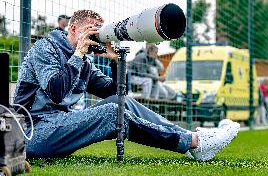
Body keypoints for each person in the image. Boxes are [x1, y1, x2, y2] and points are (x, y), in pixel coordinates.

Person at [13, 10, 240, 161]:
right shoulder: (46, 48)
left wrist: (116, 61)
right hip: (33, 132)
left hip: (59, 127)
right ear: (73, 29)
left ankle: (192, 144)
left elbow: (118, 93)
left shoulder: (84, 62)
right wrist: (79, 53)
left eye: (99, 30)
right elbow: (55, 91)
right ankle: (194, 142)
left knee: (121, 104)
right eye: (91, 29)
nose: (96, 35)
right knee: (113, 113)